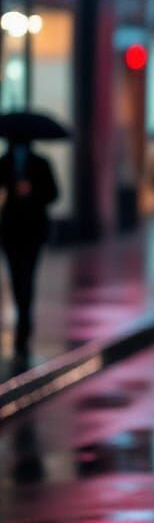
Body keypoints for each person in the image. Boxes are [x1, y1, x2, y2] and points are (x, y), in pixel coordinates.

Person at [0, 141, 59, 360]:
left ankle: (24, 318)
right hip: (10, 229)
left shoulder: (41, 164)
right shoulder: (5, 163)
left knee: (27, 274)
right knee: (16, 276)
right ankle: (22, 312)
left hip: (33, 229)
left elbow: (53, 193)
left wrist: (32, 190)